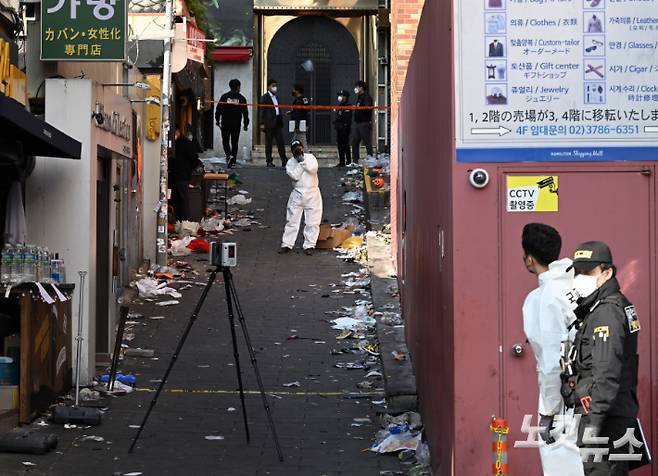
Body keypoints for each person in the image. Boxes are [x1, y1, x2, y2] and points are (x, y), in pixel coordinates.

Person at [563, 241, 640, 476]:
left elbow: (606, 372)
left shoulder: (606, 312)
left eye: (588, 272)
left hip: (605, 418)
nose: (580, 278)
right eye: (577, 272)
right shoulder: (607, 306)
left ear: (607, 273)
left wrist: (593, 423)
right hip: (612, 414)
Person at [521, 223, 584, 476]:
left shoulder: (544, 297)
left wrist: (548, 410)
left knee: (561, 462)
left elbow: (551, 361)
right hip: (590, 391)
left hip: (563, 396)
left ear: (529, 259)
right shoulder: (576, 287)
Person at [279, 140, 322, 256]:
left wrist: (303, 161)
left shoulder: (310, 158)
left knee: (312, 221)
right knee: (292, 220)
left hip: (312, 192)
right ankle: (287, 244)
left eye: (299, 149)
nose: (298, 152)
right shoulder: (290, 163)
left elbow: (313, 169)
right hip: (298, 193)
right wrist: (300, 164)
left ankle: (310, 245)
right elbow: (294, 176)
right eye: (295, 150)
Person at [215, 78, 249, 169]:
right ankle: (233, 160)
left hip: (225, 123)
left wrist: (217, 120)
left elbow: (218, 109)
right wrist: (246, 124)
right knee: (234, 142)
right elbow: (245, 113)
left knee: (225, 140)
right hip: (236, 124)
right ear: (238, 87)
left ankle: (228, 155)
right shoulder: (241, 98)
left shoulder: (224, 97)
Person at [169, 130, 202, 221]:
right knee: (179, 199)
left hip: (179, 175)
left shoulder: (183, 143)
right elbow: (194, 159)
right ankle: (180, 221)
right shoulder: (183, 143)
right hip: (179, 175)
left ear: (178, 132)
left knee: (180, 199)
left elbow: (194, 159)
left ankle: (183, 221)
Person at [259, 79, 287, 167]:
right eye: (273, 85)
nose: (275, 87)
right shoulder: (265, 97)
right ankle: (269, 161)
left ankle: (284, 160)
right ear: (268, 87)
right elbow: (262, 111)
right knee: (269, 143)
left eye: (275, 85)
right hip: (269, 123)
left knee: (280, 142)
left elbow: (277, 109)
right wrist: (262, 123)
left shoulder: (276, 97)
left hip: (277, 122)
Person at [351, 80, 374, 165]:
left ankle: (370, 159)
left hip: (364, 123)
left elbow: (367, 108)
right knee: (354, 142)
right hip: (358, 123)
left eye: (357, 87)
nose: (355, 89)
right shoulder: (359, 97)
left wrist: (358, 108)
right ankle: (355, 160)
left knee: (367, 142)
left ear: (361, 88)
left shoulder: (366, 97)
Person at [334, 90, 352, 167]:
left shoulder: (348, 106)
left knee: (345, 145)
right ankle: (342, 162)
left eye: (341, 96)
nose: (340, 97)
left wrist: (344, 127)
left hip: (345, 129)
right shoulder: (340, 106)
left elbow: (347, 119)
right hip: (339, 129)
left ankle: (348, 162)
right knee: (340, 146)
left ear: (345, 97)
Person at [288, 84, 309, 150]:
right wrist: (292, 112)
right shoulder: (304, 99)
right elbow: (304, 111)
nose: (293, 91)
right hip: (304, 122)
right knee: (296, 141)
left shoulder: (298, 101)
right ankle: (298, 156)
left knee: (302, 142)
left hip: (300, 124)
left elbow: (298, 113)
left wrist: (297, 126)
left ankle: (306, 156)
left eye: (294, 89)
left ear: (297, 91)